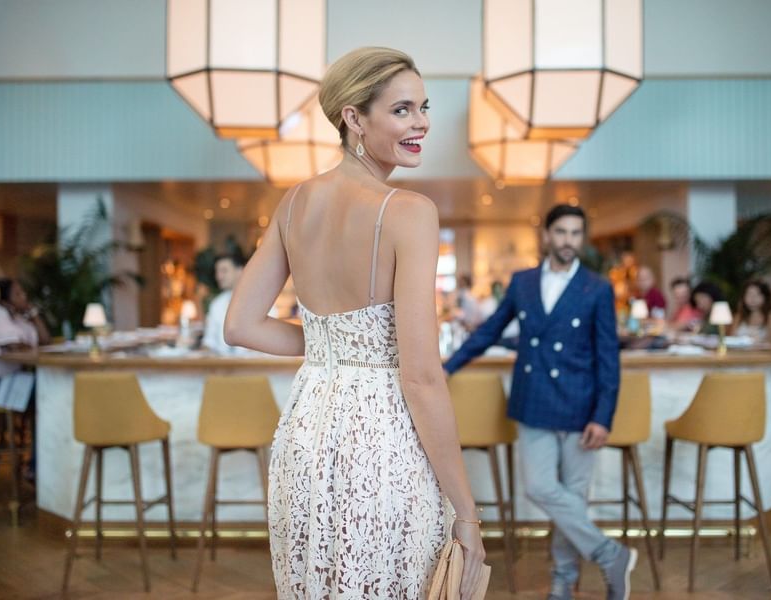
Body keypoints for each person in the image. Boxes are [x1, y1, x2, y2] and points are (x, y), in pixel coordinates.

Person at [223, 47, 486, 598]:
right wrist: (467, 513)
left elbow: (242, 325)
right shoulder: (409, 212)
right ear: (353, 117)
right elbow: (420, 377)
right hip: (382, 437)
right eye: (402, 110)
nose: (422, 124)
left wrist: (330, 346)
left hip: (307, 429)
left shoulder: (294, 203)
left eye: (423, 107)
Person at [445, 204, 635, 600]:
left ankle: (562, 583)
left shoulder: (597, 288)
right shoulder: (523, 282)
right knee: (541, 487)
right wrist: (448, 367)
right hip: (533, 403)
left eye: (575, 234)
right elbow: (490, 331)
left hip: (582, 408)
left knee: (572, 498)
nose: (568, 241)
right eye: (561, 232)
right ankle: (609, 553)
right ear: (548, 236)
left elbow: (608, 359)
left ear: (581, 238)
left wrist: (603, 415)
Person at [202, 253, 245, 355]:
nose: (218, 276)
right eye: (217, 271)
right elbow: (209, 342)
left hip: (253, 367)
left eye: (224, 271)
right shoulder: (216, 304)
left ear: (239, 271)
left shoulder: (261, 301)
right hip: (221, 367)